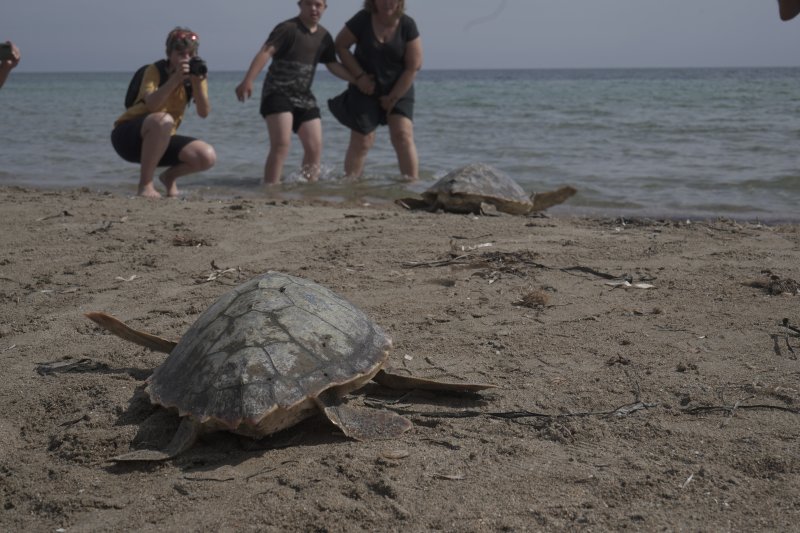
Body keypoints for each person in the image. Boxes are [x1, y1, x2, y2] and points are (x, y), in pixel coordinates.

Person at [235, 0, 355, 184]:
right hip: (277, 93)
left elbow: (332, 65)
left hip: (304, 96)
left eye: (318, 5)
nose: (314, 9)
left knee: (314, 147)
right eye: (309, 4)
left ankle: (308, 189)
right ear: (300, 5)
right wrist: (248, 80)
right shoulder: (287, 28)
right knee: (282, 144)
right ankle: (271, 187)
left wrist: (358, 80)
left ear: (324, 8)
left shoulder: (324, 36)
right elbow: (266, 52)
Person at [111, 27, 216, 198]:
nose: (186, 59)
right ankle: (145, 185)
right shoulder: (154, 70)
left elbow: (203, 113)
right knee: (162, 120)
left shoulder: (196, 74)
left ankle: (169, 177)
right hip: (128, 136)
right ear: (169, 54)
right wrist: (175, 79)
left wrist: (197, 84)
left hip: (161, 138)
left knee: (206, 156)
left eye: (190, 54)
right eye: (181, 53)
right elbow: (152, 106)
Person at [328, 0, 423, 181]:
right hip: (365, 87)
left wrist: (393, 97)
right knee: (363, 140)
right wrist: (359, 76)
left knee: (402, 135)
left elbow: (413, 66)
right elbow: (340, 46)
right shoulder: (362, 19)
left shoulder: (407, 24)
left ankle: (412, 185)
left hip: (399, 87)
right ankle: (351, 185)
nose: (387, 2)